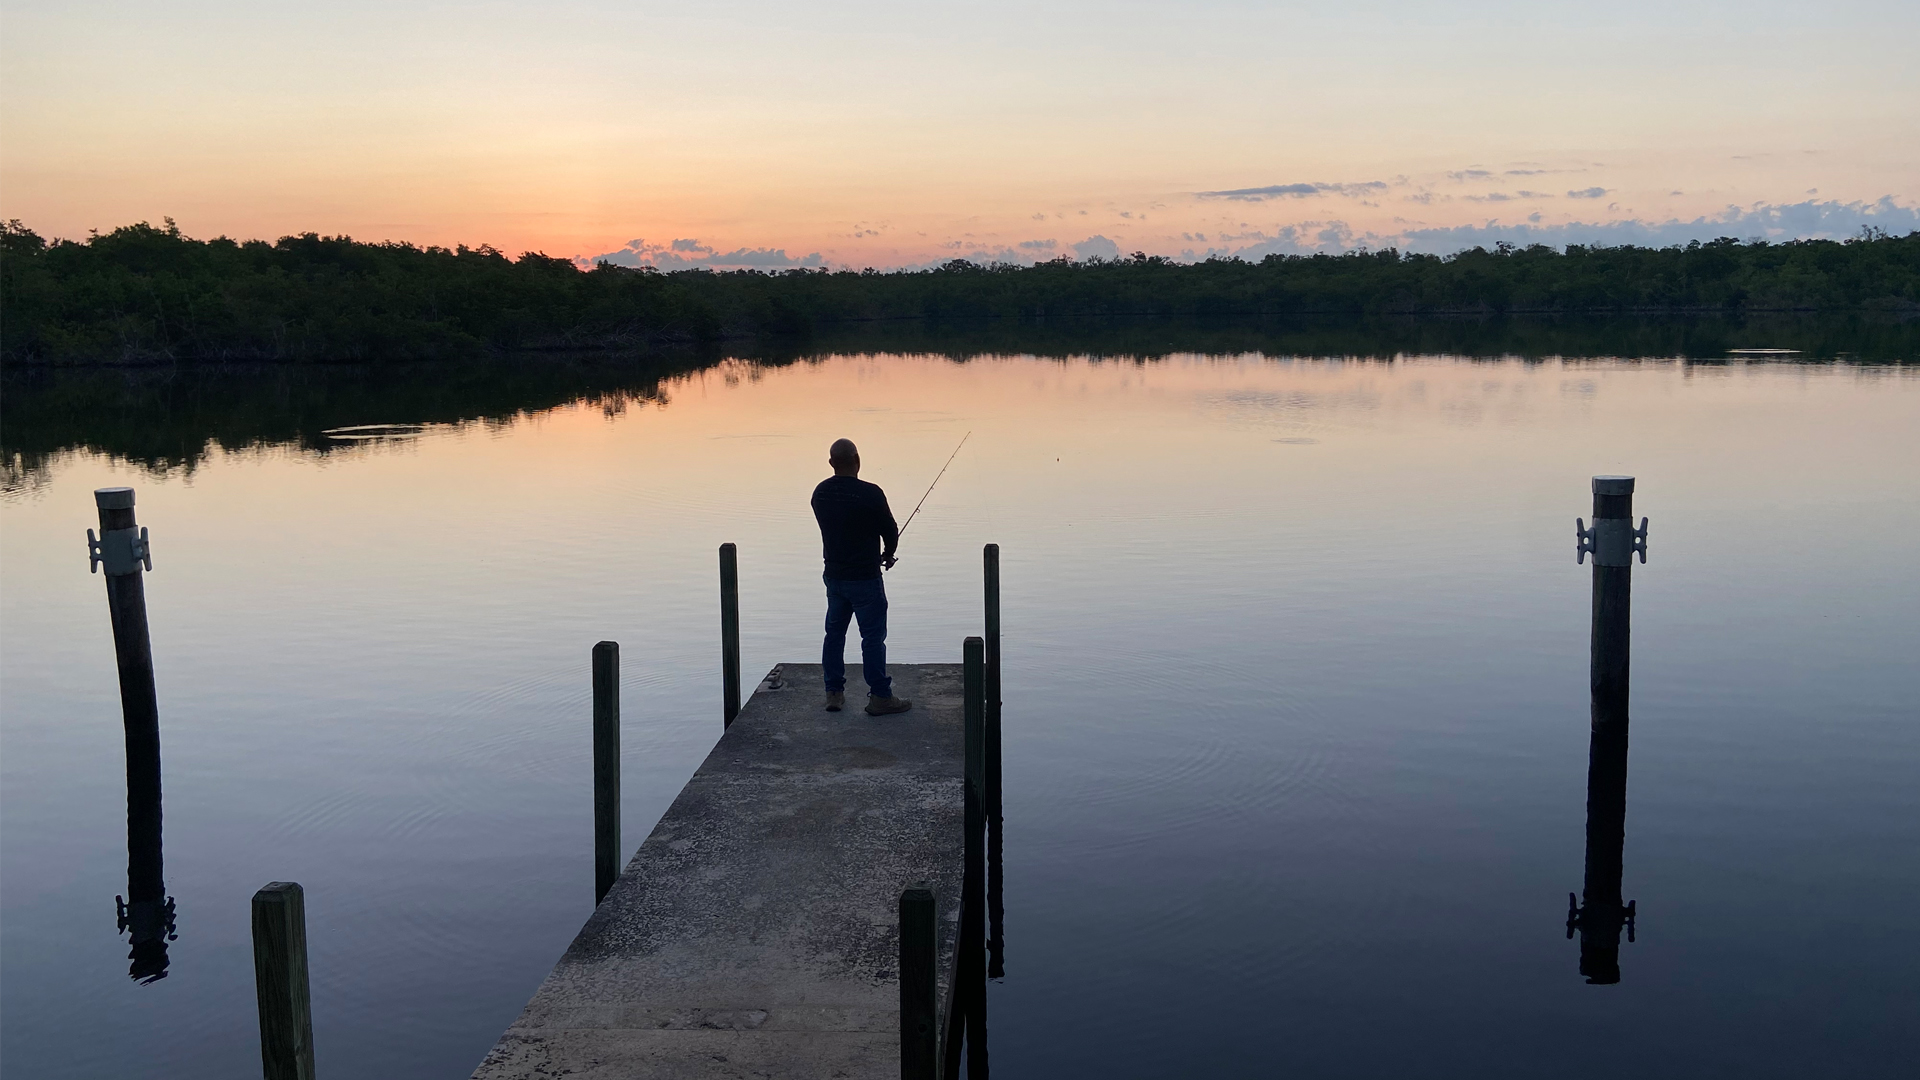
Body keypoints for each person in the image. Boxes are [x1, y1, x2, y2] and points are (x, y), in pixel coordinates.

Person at [811, 438, 912, 716]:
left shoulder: (820, 494)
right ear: (858, 460)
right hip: (866, 578)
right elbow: (890, 531)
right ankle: (880, 696)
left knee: (834, 634)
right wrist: (888, 554)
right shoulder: (871, 494)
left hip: (834, 576)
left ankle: (834, 692)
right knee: (872, 638)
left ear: (832, 463)